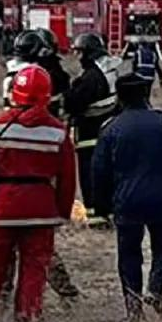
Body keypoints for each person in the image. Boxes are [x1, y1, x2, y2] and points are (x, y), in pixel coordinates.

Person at [0, 64, 75, 322]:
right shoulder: (58, 132)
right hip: (41, 207)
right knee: (35, 266)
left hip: (2, 205)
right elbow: (67, 179)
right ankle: (27, 320)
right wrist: (61, 212)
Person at [92, 67, 162, 320]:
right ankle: (156, 287)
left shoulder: (111, 128)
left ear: (119, 97)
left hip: (126, 199)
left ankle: (133, 307)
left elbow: (99, 170)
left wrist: (101, 205)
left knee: (129, 252)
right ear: (146, 95)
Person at [64, 32, 120, 217]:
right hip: (106, 131)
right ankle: (108, 211)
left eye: (80, 52)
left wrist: (69, 93)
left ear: (89, 53)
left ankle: (96, 215)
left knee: (90, 176)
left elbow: (74, 102)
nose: (78, 57)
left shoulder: (92, 77)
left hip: (90, 134)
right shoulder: (108, 71)